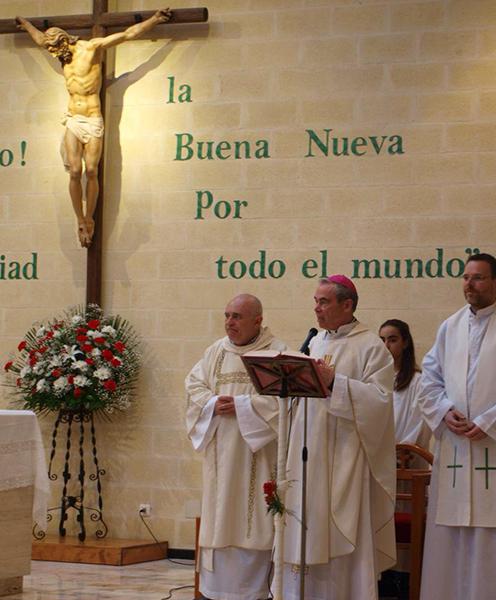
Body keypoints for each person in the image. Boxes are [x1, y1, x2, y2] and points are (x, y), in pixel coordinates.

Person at [418, 253, 496, 600]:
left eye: (478, 278)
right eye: (466, 277)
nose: (469, 284)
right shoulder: (450, 326)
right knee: (451, 533)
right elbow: (429, 380)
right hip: (456, 445)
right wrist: (444, 411)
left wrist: (489, 422)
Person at [281, 275, 396, 600]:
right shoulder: (316, 342)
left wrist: (335, 383)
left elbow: (381, 402)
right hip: (307, 452)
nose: (316, 308)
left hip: (344, 458)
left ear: (347, 305)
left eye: (324, 302)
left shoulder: (371, 346)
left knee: (339, 531)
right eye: (315, 301)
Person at [15, 9, 172, 247]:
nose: (57, 57)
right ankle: (80, 219)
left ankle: (90, 217)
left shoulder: (91, 48)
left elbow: (128, 34)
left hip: (93, 119)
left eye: (57, 50)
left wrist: (155, 20)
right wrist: (26, 24)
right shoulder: (59, 53)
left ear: (65, 40)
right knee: (75, 171)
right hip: (73, 119)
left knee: (91, 171)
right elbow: (39, 39)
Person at [185, 293, 288, 600]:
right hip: (221, 453)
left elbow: (284, 401)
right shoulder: (216, 351)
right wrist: (214, 402)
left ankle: (252, 593)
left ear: (258, 320)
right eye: (227, 315)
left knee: (252, 518)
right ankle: (216, 593)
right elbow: (193, 387)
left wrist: (243, 406)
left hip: (257, 456)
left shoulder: (277, 352)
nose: (230, 322)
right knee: (220, 517)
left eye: (237, 317)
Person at [379, 319, 431, 449]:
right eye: (382, 340)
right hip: (379, 455)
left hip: (405, 458)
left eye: (392, 340)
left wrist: (403, 450)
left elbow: (420, 422)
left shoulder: (417, 381)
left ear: (405, 343)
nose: (386, 346)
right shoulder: (375, 379)